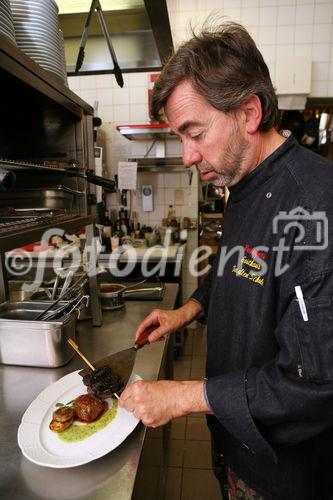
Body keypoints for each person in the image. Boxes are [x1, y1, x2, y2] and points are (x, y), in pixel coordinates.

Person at [117, 22, 333, 499]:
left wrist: (184, 395)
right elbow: (236, 271)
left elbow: (316, 381)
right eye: (179, 137)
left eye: (194, 133)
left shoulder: (316, 205)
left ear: (249, 112)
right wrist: (187, 311)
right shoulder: (242, 187)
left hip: (283, 476)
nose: (188, 156)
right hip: (232, 445)